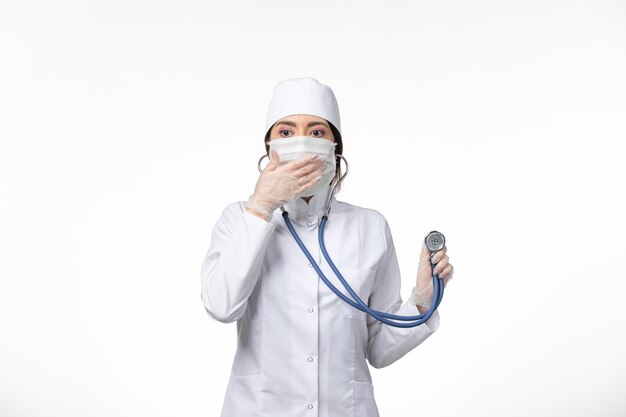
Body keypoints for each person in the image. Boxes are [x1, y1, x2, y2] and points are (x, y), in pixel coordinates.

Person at [200, 77, 455, 417]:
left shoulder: (370, 226)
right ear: (268, 148)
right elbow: (221, 306)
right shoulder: (239, 220)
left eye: (317, 132)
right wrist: (261, 207)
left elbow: (378, 349)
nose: (303, 142)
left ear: (336, 147)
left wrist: (422, 300)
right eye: (286, 133)